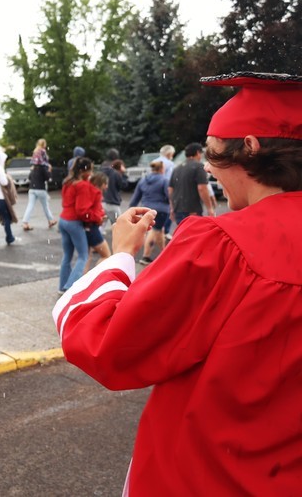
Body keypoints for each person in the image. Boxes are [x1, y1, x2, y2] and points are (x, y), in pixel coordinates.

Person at [52, 72, 302, 494]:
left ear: (251, 147)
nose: (209, 167)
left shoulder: (224, 246)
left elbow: (109, 346)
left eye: (214, 152)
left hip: (204, 476)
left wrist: (122, 255)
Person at [57, 157, 102, 292]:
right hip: (74, 222)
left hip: (63, 220)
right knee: (83, 256)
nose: (92, 173)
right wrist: (96, 218)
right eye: (91, 170)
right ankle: (70, 288)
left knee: (67, 256)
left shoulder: (68, 182)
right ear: (85, 171)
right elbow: (82, 210)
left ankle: (62, 287)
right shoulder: (82, 185)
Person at [129, 159, 170, 265]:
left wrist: (131, 209)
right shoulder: (164, 180)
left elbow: (136, 197)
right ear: (161, 169)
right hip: (161, 210)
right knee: (155, 231)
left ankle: (164, 253)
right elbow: (168, 196)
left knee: (159, 230)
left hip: (146, 209)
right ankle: (146, 256)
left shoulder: (143, 180)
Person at [169, 142, 216, 227]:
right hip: (192, 209)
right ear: (198, 152)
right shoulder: (199, 166)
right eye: (201, 153)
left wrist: (172, 208)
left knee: (183, 232)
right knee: (194, 233)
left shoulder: (177, 168)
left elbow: (170, 189)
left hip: (178, 208)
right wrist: (210, 208)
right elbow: (202, 188)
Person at [21, 139, 57, 231]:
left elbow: (29, 177)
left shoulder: (33, 167)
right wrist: (49, 171)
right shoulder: (43, 167)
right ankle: (51, 220)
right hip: (40, 189)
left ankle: (25, 222)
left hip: (31, 189)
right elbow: (48, 178)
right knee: (45, 206)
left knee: (30, 205)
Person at [83, 172, 111, 273]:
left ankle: (83, 279)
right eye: (105, 184)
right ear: (101, 183)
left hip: (84, 227)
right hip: (92, 228)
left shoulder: (87, 190)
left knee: (86, 256)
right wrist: (99, 218)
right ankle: (94, 276)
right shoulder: (95, 193)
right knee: (106, 255)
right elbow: (88, 211)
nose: (107, 187)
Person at [99, 149, 128, 225]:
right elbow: (123, 185)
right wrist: (124, 173)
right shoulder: (115, 172)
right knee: (119, 225)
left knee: (101, 225)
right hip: (113, 203)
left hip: (102, 202)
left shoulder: (102, 167)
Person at [157, 144, 176, 239]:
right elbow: (170, 179)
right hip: (164, 189)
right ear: (169, 154)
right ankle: (165, 231)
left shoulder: (154, 161)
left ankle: (156, 230)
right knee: (169, 210)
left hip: (154, 189)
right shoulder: (170, 164)